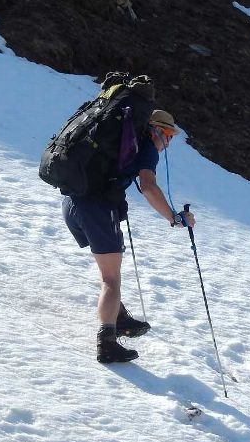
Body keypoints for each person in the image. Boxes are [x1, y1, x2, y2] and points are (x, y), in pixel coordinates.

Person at [62, 109, 195, 363]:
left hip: (72, 203)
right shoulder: (145, 147)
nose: (168, 142)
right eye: (168, 135)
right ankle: (107, 343)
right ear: (157, 131)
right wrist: (174, 218)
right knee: (111, 279)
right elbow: (148, 186)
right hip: (96, 208)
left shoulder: (120, 143)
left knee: (108, 271)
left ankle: (119, 317)